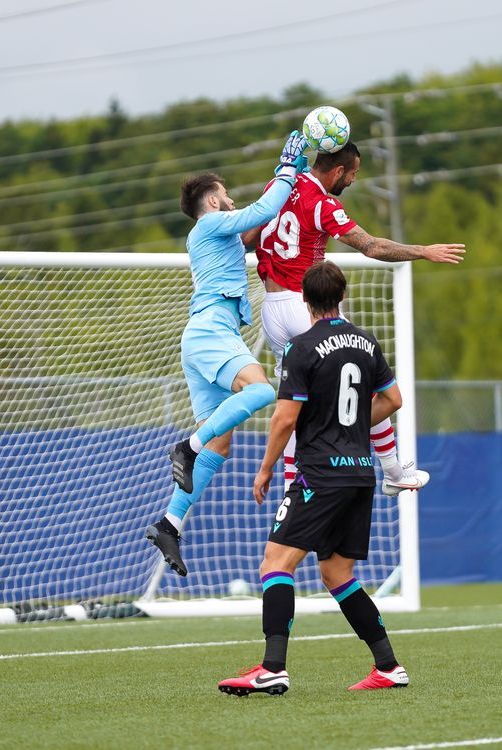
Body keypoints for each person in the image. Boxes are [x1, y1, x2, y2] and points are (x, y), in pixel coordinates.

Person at [218, 261, 410, 696]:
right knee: (336, 573)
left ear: (305, 302)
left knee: (275, 563)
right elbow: (393, 399)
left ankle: (272, 668)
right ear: (341, 297)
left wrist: (266, 468)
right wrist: (354, 428)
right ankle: (388, 666)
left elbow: (285, 418)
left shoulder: (301, 348)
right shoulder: (366, 342)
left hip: (320, 474)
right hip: (360, 474)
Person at [241, 140, 464, 495]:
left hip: (271, 310)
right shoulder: (323, 204)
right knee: (361, 388)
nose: (355, 180)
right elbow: (371, 246)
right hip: (307, 307)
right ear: (339, 171)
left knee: (295, 402)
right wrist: (423, 251)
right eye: (355, 173)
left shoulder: (280, 184)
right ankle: (392, 470)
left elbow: (247, 235)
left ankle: (291, 493)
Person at [144, 131, 309, 577]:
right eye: (226, 195)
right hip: (212, 333)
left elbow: (256, 225)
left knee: (222, 440)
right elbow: (261, 211)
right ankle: (186, 447)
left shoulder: (218, 235)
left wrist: (289, 184)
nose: (231, 200)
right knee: (262, 392)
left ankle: (170, 523)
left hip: (201, 338)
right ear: (212, 203)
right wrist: (286, 168)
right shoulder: (208, 225)